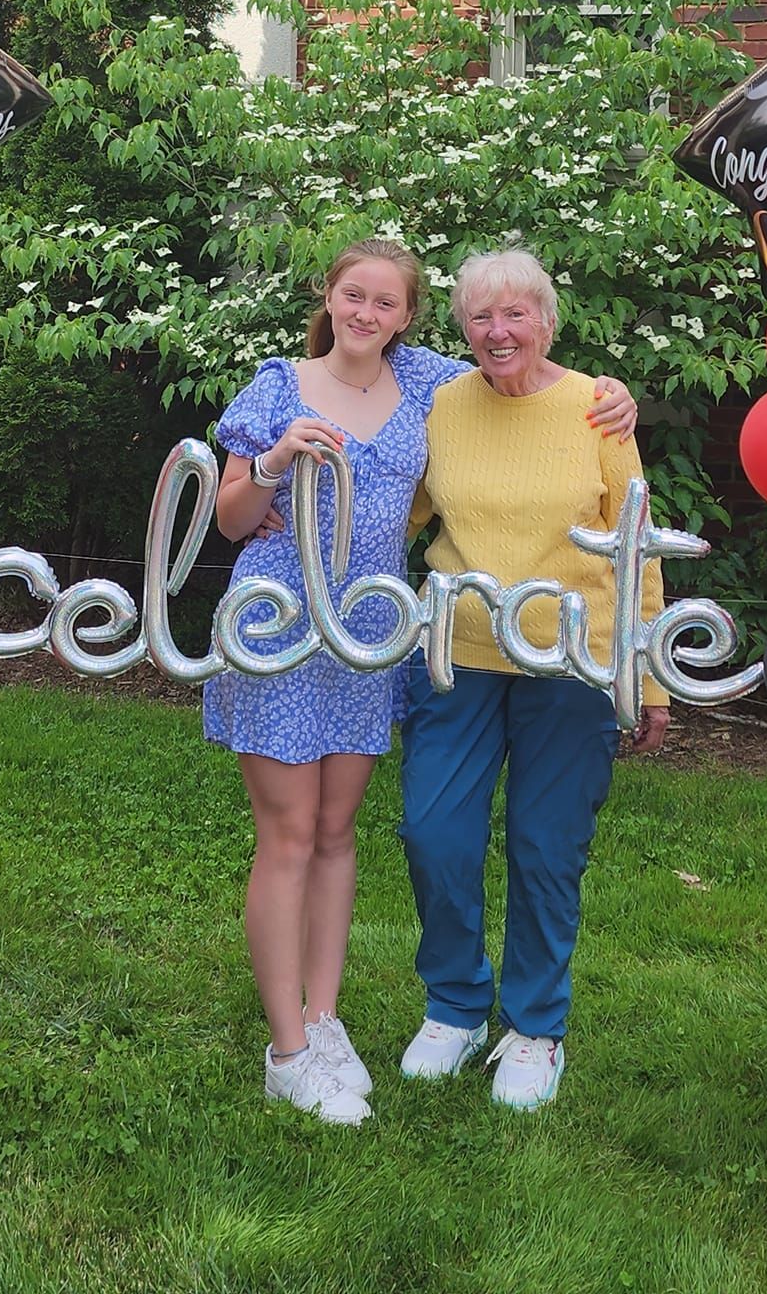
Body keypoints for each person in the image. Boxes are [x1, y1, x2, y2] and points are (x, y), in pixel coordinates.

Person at [210, 237, 636, 1124]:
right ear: (327, 297)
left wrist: (614, 394)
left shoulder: (468, 391)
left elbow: (536, 384)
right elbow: (229, 516)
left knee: (346, 835)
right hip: (319, 626)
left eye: (385, 302)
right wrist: (279, 458)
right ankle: (313, 1042)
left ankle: (378, 1025)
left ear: (407, 319)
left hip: (398, 635)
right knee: (333, 834)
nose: (365, 313)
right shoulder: (303, 387)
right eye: (351, 295)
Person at [397, 247, 669, 1112]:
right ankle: (455, 1006)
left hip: (572, 666)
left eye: (517, 313)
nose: (498, 330)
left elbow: (636, 545)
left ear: (549, 320)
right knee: (433, 833)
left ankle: (535, 1027)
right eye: (480, 315)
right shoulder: (442, 404)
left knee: (547, 849)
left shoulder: (598, 407)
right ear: (461, 328)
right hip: (457, 659)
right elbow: (399, 513)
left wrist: (648, 672)